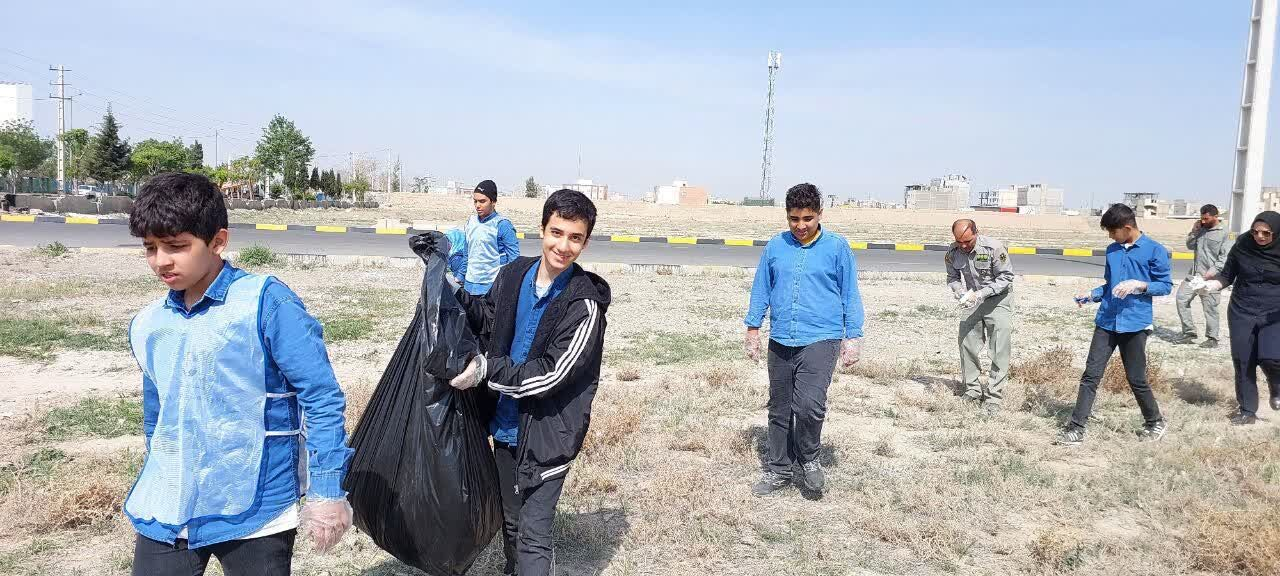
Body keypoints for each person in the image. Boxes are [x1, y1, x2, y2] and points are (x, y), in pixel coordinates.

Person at [123, 172, 353, 575]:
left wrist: (328, 489)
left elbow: (320, 396)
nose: (161, 261)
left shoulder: (266, 302)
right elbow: (157, 411)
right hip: (169, 503)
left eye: (177, 246)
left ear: (218, 241)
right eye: (150, 248)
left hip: (255, 504)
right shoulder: (150, 322)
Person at [444, 189, 610, 576]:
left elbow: (550, 374)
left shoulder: (583, 305)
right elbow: (485, 320)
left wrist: (487, 372)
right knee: (512, 524)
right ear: (542, 229)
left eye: (575, 238)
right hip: (504, 427)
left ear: (585, 242)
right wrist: (448, 282)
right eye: (557, 232)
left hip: (547, 436)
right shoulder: (513, 273)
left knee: (534, 535)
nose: (563, 246)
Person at [744, 183, 865, 497]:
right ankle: (779, 469)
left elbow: (850, 293)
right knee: (779, 408)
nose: (800, 225)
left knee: (809, 406)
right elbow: (762, 289)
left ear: (820, 214)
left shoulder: (837, 248)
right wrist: (753, 328)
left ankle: (809, 458)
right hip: (782, 338)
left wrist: (853, 337)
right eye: (793, 218)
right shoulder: (775, 246)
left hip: (821, 338)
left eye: (807, 218)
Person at [1057, 203, 1170, 446]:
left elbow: (1165, 285)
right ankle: (1076, 428)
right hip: (1106, 320)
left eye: (1112, 231)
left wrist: (1140, 285)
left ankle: (1155, 421)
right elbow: (1110, 286)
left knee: (1136, 378)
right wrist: (1092, 295)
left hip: (1135, 325)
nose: (1110, 236)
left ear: (1127, 228)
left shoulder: (1154, 251)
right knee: (1090, 376)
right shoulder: (1112, 251)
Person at [1197, 211, 1280, 425]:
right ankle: (1247, 411)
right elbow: (1227, 275)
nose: (1259, 237)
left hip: (1274, 312)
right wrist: (1211, 286)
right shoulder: (1243, 244)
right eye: (1255, 232)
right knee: (1243, 360)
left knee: (1271, 357)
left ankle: (1276, 385)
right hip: (1242, 309)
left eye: (1266, 233)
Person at [945, 219, 1014, 414]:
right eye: (960, 242)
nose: (964, 246)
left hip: (998, 300)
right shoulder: (952, 252)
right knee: (966, 343)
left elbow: (1006, 277)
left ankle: (993, 397)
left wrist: (981, 294)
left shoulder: (993, 248)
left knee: (998, 348)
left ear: (976, 233)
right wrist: (959, 292)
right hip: (972, 300)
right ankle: (972, 390)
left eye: (968, 241)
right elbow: (952, 277)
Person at [1174, 204, 1229, 348]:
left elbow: (1225, 257)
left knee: (1210, 308)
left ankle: (1212, 338)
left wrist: (1213, 271)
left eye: (1206, 218)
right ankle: (1189, 333)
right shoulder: (1201, 229)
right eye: (1202, 218)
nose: (1203, 221)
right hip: (1194, 275)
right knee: (1181, 299)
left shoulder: (1225, 233)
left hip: (1211, 277)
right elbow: (1190, 246)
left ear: (1216, 216)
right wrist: (1194, 231)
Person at [464, 179, 521, 295]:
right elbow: (467, 253)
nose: (477, 206)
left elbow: (514, 258)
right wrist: (460, 276)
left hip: (492, 288)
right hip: (469, 285)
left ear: (493, 202)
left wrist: (509, 285)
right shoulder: (471, 222)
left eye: (482, 201)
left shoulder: (502, 224)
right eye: (475, 201)